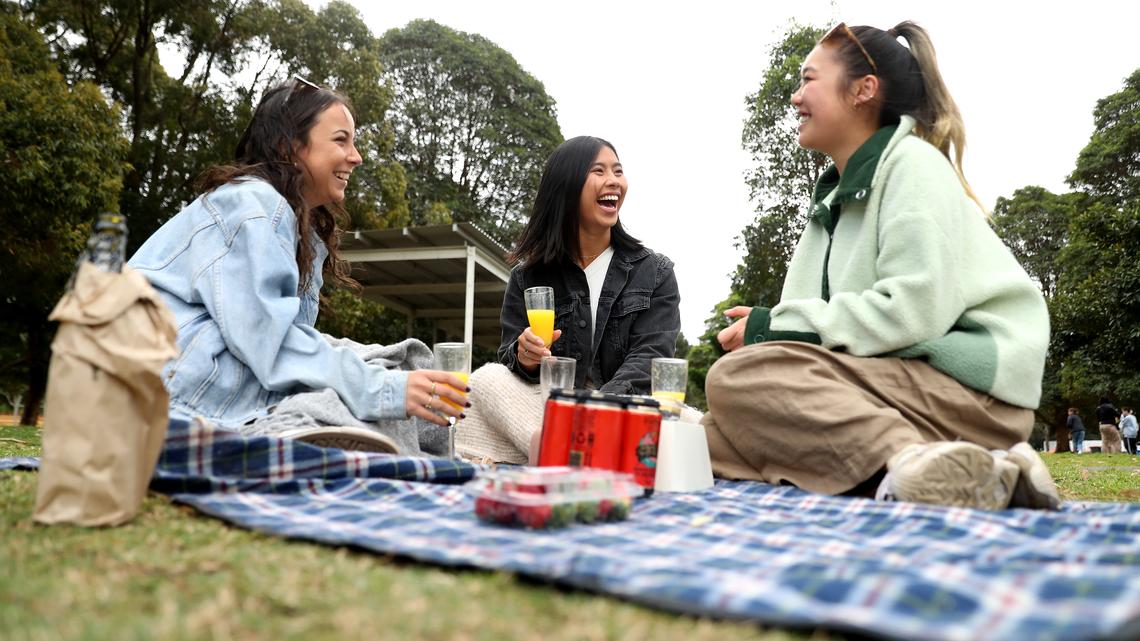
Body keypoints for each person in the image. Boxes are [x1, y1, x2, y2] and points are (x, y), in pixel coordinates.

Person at [701, 21, 1060, 510]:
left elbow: (913, 309)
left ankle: (914, 461)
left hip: (973, 393)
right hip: (899, 383)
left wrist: (772, 327)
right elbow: (806, 344)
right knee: (716, 432)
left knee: (737, 379)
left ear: (863, 91)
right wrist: (773, 335)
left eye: (808, 79)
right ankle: (980, 474)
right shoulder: (832, 201)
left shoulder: (912, 165)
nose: (794, 97)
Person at [128, 77, 467, 452]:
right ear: (289, 147)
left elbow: (282, 341)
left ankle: (322, 433)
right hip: (154, 388)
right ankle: (291, 432)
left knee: (394, 366)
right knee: (376, 385)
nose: (357, 157)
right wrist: (380, 388)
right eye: (341, 140)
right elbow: (270, 343)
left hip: (171, 379)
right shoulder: (255, 205)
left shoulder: (297, 227)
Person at [455, 136, 682, 463]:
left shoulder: (654, 272)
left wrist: (592, 410)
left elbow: (651, 358)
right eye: (599, 171)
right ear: (567, 186)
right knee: (485, 380)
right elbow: (508, 359)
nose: (614, 181)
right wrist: (525, 357)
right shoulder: (527, 278)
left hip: (625, 409)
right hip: (548, 407)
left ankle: (557, 448)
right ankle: (568, 446)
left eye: (618, 171)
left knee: (685, 418)